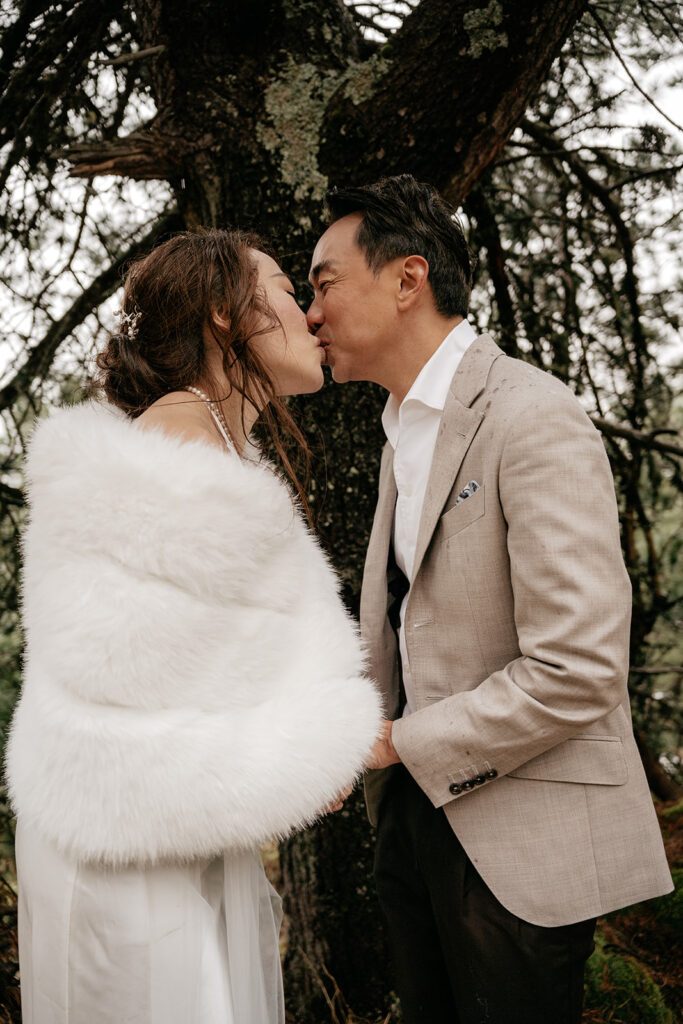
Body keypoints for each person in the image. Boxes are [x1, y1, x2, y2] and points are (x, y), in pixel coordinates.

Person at [306, 175, 673, 1024]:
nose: (311, 312)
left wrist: (396, 743)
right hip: (412, 824)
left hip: (518, 842)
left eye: (324, 283)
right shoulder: (401, 428)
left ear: (407, 280)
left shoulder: (529, 414)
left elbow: (577, 669)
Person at [6, 228, 382, 1024]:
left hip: (158, 819)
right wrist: (309, 739)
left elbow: (206, 640)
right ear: (222, 313)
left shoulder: (217, 442)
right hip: (123, 828)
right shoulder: (179, 429)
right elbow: (123, 656)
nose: (310, 316)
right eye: (286, 289)